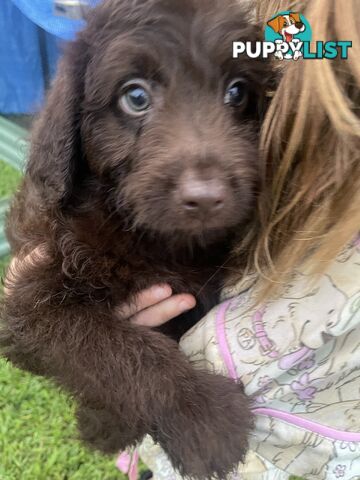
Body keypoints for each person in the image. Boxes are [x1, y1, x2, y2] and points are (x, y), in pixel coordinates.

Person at [3, 0, 360, 478]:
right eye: (136, 97)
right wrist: (166, 395)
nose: (203, 185)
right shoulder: (86, 227)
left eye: (236, 95)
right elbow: (27, 321)